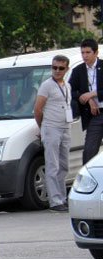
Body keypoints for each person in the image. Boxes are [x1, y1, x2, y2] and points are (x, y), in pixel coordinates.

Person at [34, 55, 73, 213]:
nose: (57, 71)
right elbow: (37, 109)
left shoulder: (67, 86)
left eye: (60, 68)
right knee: (52, 165)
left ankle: (62, 198)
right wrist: (43, 127)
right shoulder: (46, 86)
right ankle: (55, 200)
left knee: (64, 165)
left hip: (65, 127)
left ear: (66, 69)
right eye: (54, 67)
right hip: (51, 128)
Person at [69, 38, 103, 164]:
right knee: (89, 151)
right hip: (94, 115)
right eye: (82, 52)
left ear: (96, 53)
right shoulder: (78, 70)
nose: (84, 56)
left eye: (88, 52)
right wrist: (87, 99)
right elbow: (70, 91)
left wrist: (93, 94)